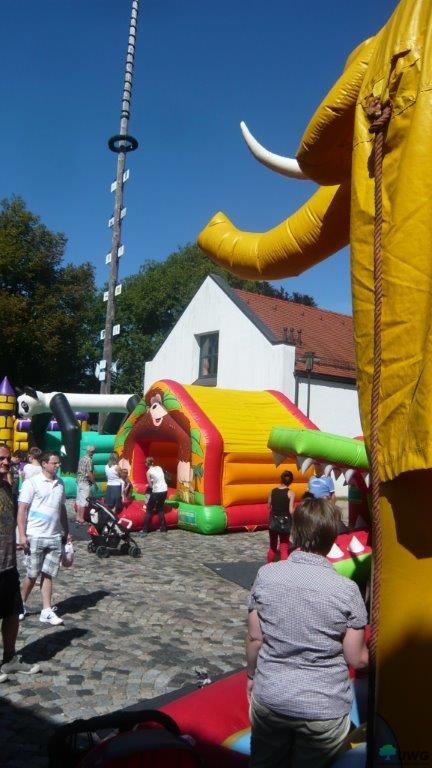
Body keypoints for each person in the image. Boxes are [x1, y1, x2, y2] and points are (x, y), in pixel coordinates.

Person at [246, 496, 368, 768]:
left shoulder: (266, 575)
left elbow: (255, 638)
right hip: (322, 709)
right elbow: (356, 658)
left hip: (272, 699)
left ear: (294, 532)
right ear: (333, 538)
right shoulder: (347, 590)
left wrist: (251, 677)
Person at [0, 443, 40, 682]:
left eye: (7, 459)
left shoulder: (7, 486)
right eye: (1, 459)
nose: (6, 462)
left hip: (8, 563)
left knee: (13, 612)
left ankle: (10, 659)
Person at [17, 451, 71, 626]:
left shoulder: (60, 483)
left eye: (58, 463)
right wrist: (22, 534)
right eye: (54, 463)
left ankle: (46, 610)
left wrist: (66, 531)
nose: (57, 466)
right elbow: (22, 509)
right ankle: (20, 604)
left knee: (48, 573)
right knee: (32, 574)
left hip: (54, 536)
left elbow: (62, 508)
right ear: (44, 464)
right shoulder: (32, 483)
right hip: (35, 535)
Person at [267, 470, 295, 563]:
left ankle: (269, 566)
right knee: (284, 547)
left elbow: (268, 506)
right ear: (291, 481)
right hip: (285, 523)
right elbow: (291, 511)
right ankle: (283, 569)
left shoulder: (272, 491)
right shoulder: (291, 493)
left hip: (273, 522)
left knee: (272, 547)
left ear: (281, 479)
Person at [142, 456, 168, 534]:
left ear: (146, 464)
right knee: (160, 509)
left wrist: (151, 484)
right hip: (164, 490)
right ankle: (163, 528)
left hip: (156, 491)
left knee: (149, 510)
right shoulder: (159, 467)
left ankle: (145, 529)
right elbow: (161, 477)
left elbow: (150, 485)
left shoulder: (148, 472)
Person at [75, 444, 96, 524]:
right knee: (84, 501)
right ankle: (81, 518)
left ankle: (77, 517)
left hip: (79, 480)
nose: (93, 453)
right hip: (85, 482)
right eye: (93, 452)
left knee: (79, 500)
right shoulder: (89, 460)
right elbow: (89, 473)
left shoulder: (82, 458)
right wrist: (94, 483)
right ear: (90, 451)